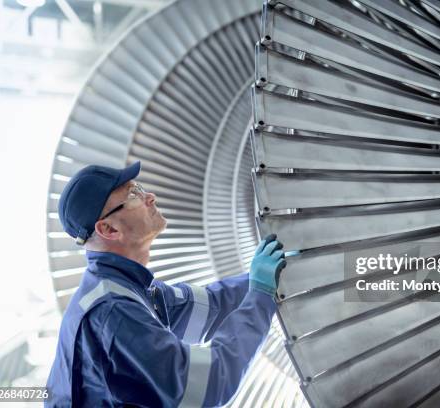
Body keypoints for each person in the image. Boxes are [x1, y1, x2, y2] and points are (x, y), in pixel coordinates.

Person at [46, 161, 287, 407]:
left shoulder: (134, 290)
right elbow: (210, 384)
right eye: (133, 195)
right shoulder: (113, 312)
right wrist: (261, 293)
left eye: (138, 187)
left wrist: (276, 270)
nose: (149, 196)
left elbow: (210, 308)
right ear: (108, 228)